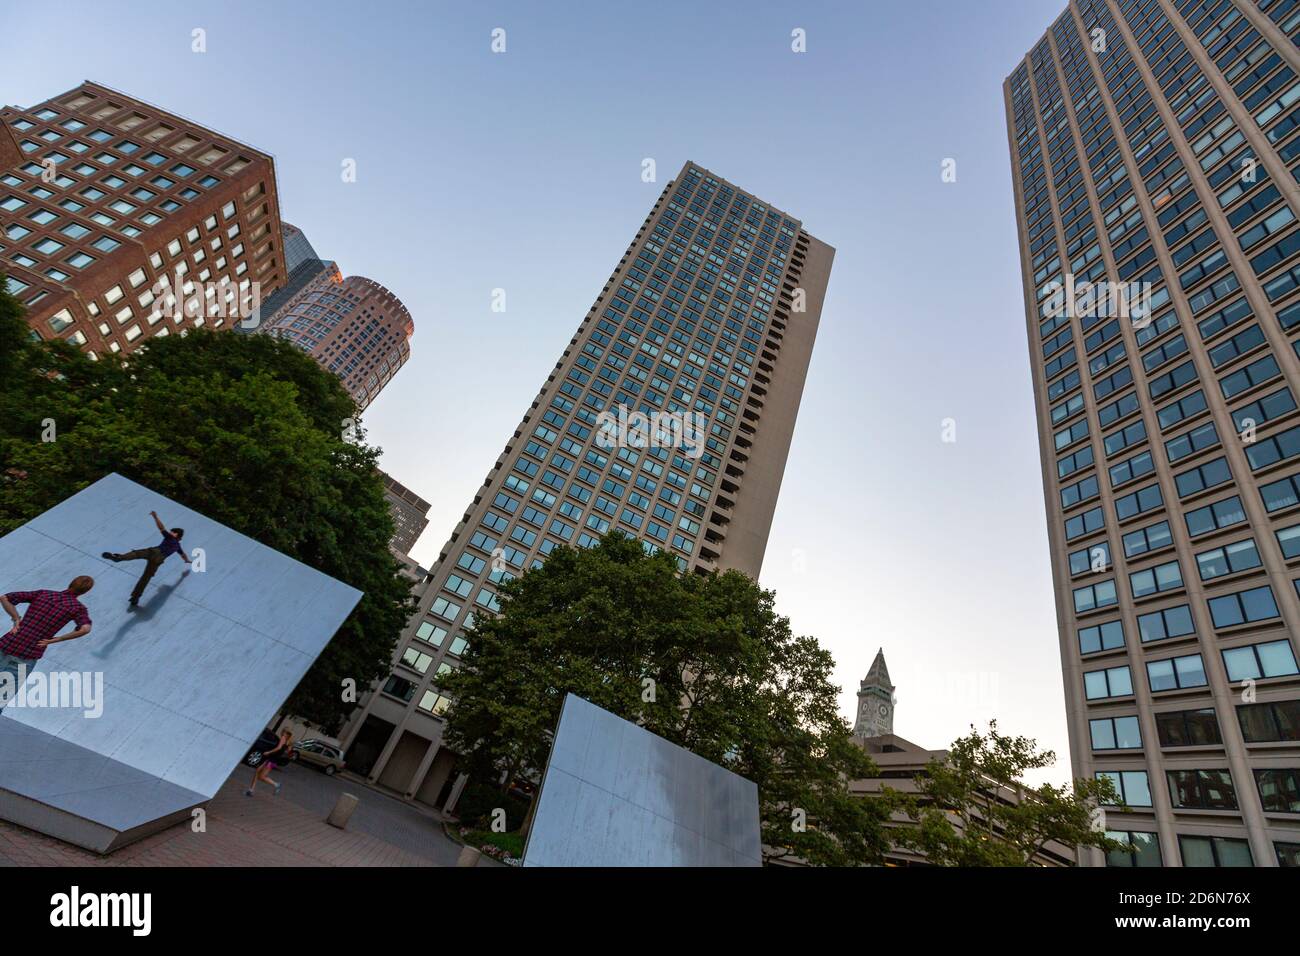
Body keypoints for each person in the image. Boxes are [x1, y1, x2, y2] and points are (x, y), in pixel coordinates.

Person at [0, 576, 95, 712]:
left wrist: (16, 618)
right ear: (85, 592)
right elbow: (85, 628)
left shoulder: (44, 594)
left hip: (6, 644)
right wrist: (58, 639)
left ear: (71, 583)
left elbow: (5, 598)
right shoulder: (77, 608)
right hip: (29, 653)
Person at [102, 510, 191, 607]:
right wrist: (186, 561)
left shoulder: (170, 537)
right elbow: (183, 555)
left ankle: (119, 557)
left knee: (136, 554)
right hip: (158, 560)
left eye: (172, 532)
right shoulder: (178, 546)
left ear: (176, 534)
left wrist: (155, 517)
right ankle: (135, 597)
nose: (170, 532)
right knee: (145, 578)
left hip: (154, 551)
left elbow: (161, 527)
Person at [247, 729, 294, 797]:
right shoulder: (288, 742)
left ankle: (276, 784)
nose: (282, 733)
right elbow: (288, 752)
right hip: (272, 760)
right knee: (257, 771)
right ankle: (251, 790)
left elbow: (278, 748)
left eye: (283, 732)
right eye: (282, 732)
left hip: (272, 760)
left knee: (261, 776)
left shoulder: (283, 738)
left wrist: (268, 752)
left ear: (286, 734)